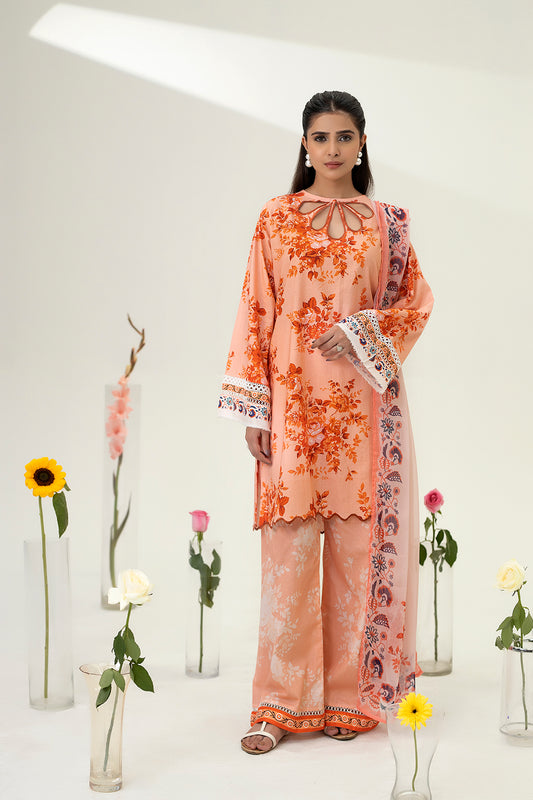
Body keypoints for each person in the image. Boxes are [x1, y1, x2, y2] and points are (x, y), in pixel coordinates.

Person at [218, 90, 433, 754]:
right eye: (320, 137)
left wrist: (363, 328)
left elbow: (415, 303)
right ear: (304, 145)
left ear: (361, 143)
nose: (332, 149)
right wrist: (254, 407)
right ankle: (279, 705)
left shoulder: (387, 223)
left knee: (356, 554)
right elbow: (255, 309)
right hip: (290, 403)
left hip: (362, 409)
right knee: (286, 556)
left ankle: (348, 696)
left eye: (344, 137)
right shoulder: (275, 218)